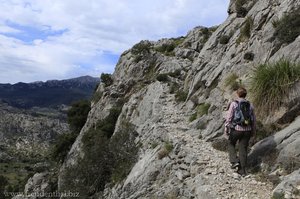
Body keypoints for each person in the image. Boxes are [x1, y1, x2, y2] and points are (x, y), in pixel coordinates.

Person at [224, 87, 256, 176]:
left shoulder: (234, 104)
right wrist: (253, 131)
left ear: (238, 94)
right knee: (243, 149)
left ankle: (234, 161)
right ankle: (242, 171)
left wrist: (226, 128)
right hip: (248, 130)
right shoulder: (250, 105)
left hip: (237, 129)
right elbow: (253, 119)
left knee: (231, 143)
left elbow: (229, 118)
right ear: (245, 95)